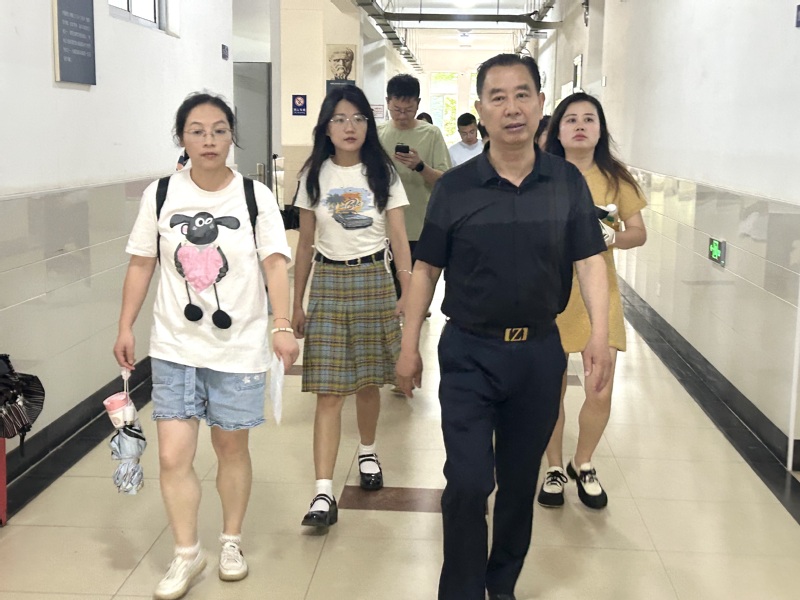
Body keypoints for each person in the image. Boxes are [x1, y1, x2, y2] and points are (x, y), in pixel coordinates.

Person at [395, 54, 612, 600]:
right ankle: (462, 590)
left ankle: (502, 584)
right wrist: (408, 346)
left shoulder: (566, 182)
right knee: (469, 482)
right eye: (498, 97)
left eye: (522, 95)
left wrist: (599, 336)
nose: (511, 108)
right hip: (469, 351)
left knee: (519, 483)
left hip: (539, 354)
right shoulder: (456, 187)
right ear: (480, 109)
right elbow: (426, 270)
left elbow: (590, 260)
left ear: (539, 104)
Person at [113, 92, 299, 600]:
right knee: (173, 455)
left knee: (230, 448)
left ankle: (231, 541)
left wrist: (282, 324)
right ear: (181, 138)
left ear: (232, 135)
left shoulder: (254, 196)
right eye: (197, 131)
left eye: (219, 130)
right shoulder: (160, 194)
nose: (209, 140)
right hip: (174, 345)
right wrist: (125, 325)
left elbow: (275, 263)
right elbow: (141, 262)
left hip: (237, 348)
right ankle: (186, 554)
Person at [291, 85, 413, 532]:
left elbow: (398, 237)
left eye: (358, 118)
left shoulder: (384, 173)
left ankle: (367, 450)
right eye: (340, 119)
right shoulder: (313, 175)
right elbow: (305, 243)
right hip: (328, 282)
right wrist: (295, 304)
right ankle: (323, 491)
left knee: (368, 382)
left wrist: (407, 291)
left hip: (374, 279)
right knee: (328, 391)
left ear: (368, 124)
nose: (349, 127)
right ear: (326, 126)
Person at [537, 92, 647, 510]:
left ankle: (583, 462)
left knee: (599, 387)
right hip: (550, 293)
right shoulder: (540, 174)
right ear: (557, 130)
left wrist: (611, 237)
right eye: (571, 119)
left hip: (601, 296)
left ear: (600, 130)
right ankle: (553, 467)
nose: (580, 126)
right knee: (550, 391)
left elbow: (638, 232)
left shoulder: (616, 177)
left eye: (589, 119)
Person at [377, 74, 451, 289]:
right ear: (387, 102)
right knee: (389, 294)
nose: (402, 115)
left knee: (416, 291)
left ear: (418, 104)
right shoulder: (377, 134)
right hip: (384, 230)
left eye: (408, 110)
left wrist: (420, 166)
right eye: (396, 109)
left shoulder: (431, 134)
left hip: (420, 228)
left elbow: (445, 181)